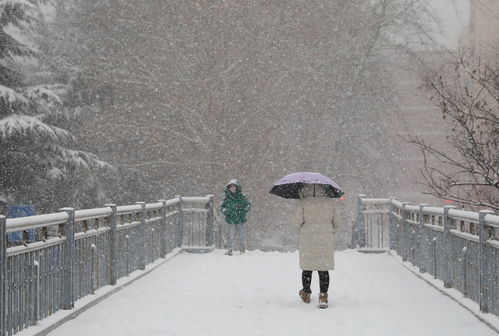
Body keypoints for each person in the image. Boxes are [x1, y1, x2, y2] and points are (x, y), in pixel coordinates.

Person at [293, 184, 338, 308]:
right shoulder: (330, 202)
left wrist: (305, 228)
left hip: (308, 237)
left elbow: (296, 222)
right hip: (325, 237)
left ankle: (306, 293)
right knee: (323, 268)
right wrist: (329, 231)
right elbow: (338, 223)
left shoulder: (303, 203)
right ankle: (323, 296)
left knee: (307, 266)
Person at [220, 179, 251, 256]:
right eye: (231, 186)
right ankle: (229, 249)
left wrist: (243, 210)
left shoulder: (242, 196)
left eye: (234, 186)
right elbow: (222, 207)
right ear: (229, 188)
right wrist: (225, 211)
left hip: (239, 218)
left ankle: (242, 249)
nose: (233, 188)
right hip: (229, 218)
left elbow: (248, 205)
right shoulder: (227, 197)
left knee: (241, 234)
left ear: (237, 187)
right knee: (228, 234)